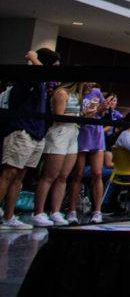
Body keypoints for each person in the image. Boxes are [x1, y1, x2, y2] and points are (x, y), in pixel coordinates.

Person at [0, 51, 52, 231]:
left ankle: (8, 216)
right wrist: (33, 57)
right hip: (22, 129)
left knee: (20, 176)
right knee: (9, 173)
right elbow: (40, 72)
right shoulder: (29, 79)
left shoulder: (43, 85)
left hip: (36, 133)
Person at [31, 80, 84, 227]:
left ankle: (55, 211)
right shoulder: (61, 93)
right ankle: (38, 212)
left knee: (63, 176)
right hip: (60, 133)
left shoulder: (76, 96)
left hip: (73, 133)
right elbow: (59, 115)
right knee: (49, 175)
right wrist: (81, 115)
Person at [66, 84, 115, 225]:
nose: (91, 85)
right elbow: (78, 114)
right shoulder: (77, 93)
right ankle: (71, 210)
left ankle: (97, 210)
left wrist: (104, 107)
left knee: (97, 173)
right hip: (82, 132)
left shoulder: (97, 92)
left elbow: (101, 113)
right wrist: (93, 110)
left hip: (96, 132)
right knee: (78, 174)